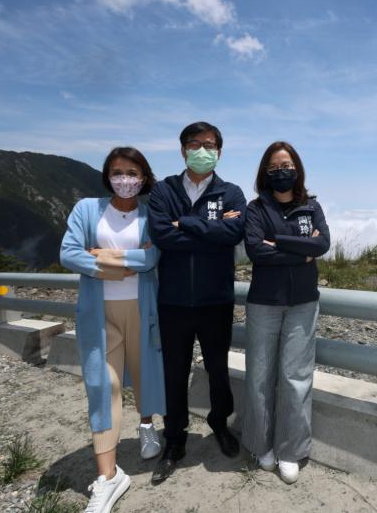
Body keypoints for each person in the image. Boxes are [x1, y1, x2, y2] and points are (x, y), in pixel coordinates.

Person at [60, 147, 166, 513]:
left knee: (144, 370)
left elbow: (152, 258)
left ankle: (147, 424)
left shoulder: (152, 212)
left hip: (141, 307)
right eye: (118, 172)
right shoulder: (87, 208)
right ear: (108, 175)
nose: (125, 179)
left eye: (132, 172)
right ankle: (107, 477)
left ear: (143, 176)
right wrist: (124, 265)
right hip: (98, 312)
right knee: (104, 384)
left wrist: (102, 258)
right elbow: (68, 253)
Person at [147, 121, 247, 484]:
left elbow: (233, 233)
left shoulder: (231, 192)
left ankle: (220, 424)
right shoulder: (163, 190)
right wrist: (208, 230)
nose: (203, 150)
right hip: (173, 301)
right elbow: (162, 236)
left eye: (210, 144)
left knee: (218, 370)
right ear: (183, 150)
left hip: (215, 300)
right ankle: (174, 439)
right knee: (174, 372)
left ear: (219, 151)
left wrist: (183, 224)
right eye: (195, 144)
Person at [241, 141, 330, 484]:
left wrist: (278, 242)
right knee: (260, 378)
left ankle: (290, 450)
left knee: (296, 379)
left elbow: (323, 245)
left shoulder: (312, 206)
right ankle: (260, 445)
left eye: (287, 164)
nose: (282, 171)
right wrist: (301, 251)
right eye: (275, 167)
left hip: (303, 302)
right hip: (264, 302)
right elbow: (255, 251)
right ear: (265, 172)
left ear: (298, 168)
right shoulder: (255, 208)